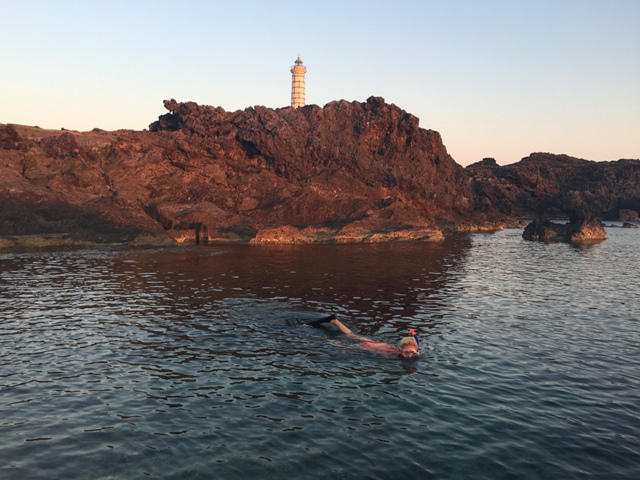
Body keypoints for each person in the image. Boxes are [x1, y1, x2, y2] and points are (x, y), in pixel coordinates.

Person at [329, 318, 420, 358]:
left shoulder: (407, 350)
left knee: (352, 335)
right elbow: (377, 351)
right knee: (347, 347)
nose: (410, 355)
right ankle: (332, 342)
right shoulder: (390, 354)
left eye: (413, 353)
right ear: (400, 350)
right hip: (371, 346)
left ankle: (336, 322)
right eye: (407, 352)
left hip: (378, 343)